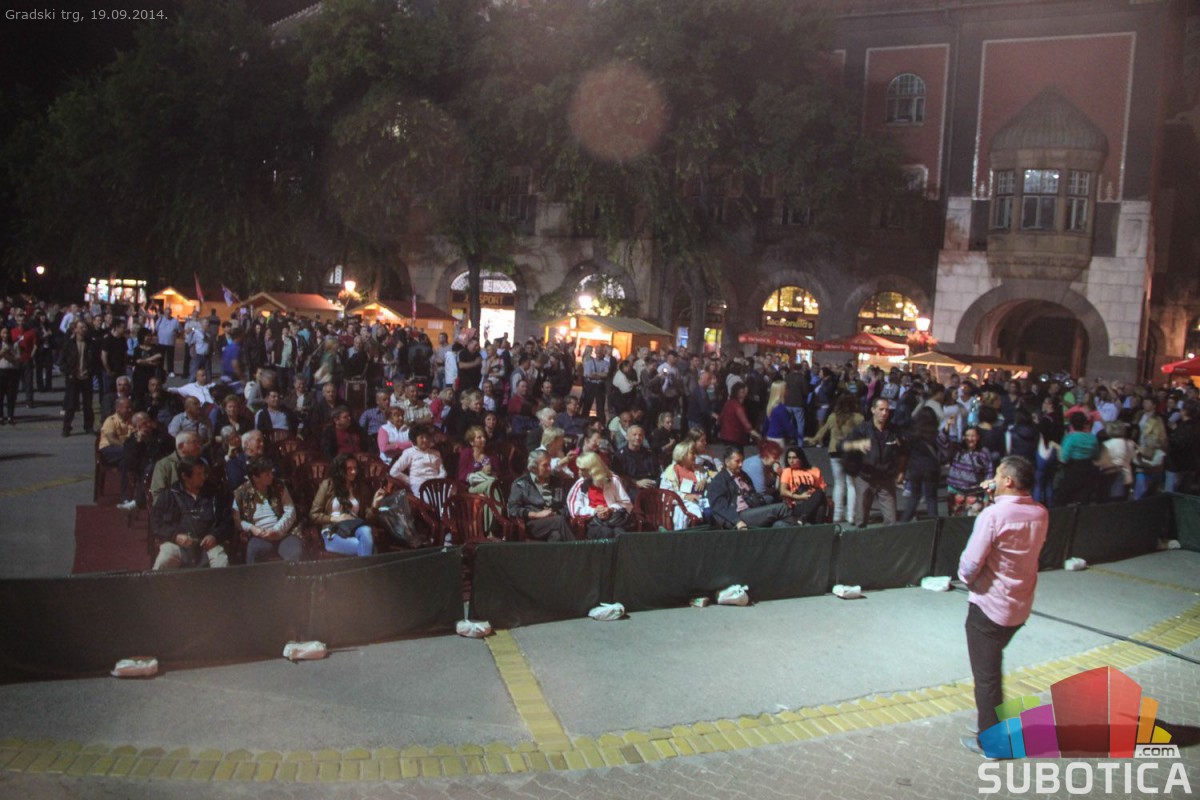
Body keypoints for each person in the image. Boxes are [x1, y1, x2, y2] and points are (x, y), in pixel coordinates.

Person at [959, 455, 1048, 757]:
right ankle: (989, 722)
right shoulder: (1040, 513)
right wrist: (995, 498)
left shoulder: (992, 516)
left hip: (988, 608)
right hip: (1019, 607)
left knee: (987, 678)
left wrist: (966, 579)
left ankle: (992, 742)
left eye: (998, 474)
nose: (993, 478)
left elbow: (971, 563)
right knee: (992, 666)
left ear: (1008, 480)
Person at [150, 457, 232, 570]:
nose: (203, 477)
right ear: (185, 476)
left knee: (221, 562)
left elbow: (226, 520)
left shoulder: (215, 494)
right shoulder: (169, 495)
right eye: (198, 474)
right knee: (164, 560)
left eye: (204, 473)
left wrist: (214, 535)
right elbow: (155, 523)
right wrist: (175, 536)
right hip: (176, 544)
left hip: (207, 545)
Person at [841, 397, 906, 527]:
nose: (884, 413)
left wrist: (900, 471)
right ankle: (860, 537)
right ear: (873, 410)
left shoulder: (894, 430)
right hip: (865, 478)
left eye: (887, 410)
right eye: (881, 409)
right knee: (861, 518)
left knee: (891, 520)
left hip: (886, 479)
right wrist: (857, 445)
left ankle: (889, 539)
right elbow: (842, 446)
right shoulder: (862, 429)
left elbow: (904, 452)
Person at [232, 456, 302, 564]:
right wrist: (253, 529)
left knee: (294, 552)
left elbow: (290, 512)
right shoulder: (241, 492)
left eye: (271, 472)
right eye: (267, 474)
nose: (272, 476)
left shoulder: (279, 486)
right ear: (256, 478)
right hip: (259, 536)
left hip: (283, 533)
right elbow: (237, 520)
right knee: (253, 551)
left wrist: (276, 530)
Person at [707, 446, 797, 529]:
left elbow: (754, 494)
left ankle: (780, 527)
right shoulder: (719, 481)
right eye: (737, 461)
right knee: (782, 508)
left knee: (779, 516)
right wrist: (737, 521)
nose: (741, 465)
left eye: (742, 461)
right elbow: (719, 506)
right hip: (739, 515)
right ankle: (798, 527)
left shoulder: (743, 475)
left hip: (752, 507)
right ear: (727, 462)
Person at [309, 453, 380, 557]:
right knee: (368, 547)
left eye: (355, 468)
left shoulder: (360, 488)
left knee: (366, 530)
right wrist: (335, 519)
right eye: (349, 469)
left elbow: (367, 518)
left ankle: (364, 566)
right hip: (333, 530)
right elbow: (313, 515)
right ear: (340, 470)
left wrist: (375, 505)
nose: (353, 472)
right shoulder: (328, 485)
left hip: (354, 527)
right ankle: (367, 567)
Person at [507, 450, 574, 542]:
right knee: (559, 521)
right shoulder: (521, 484)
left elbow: (565, 506)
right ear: (534, 467)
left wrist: (555, 513)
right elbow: (513, 509)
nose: (549, 468)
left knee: (556, 535)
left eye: (549, 464)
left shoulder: (556, 482)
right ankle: (578, 548)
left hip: (554, 521)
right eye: (545, 465)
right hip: (532, 524)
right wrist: (537, 514)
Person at [567, 451, 634, 539]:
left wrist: (610, 509)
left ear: (592, 470)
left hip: (613, 520)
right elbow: (574, 510)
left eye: (582, 469)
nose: (579, 472)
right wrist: (594, 511)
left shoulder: (613, 480)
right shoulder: (580, 484)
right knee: (606, 532)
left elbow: (626, 504)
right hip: (593, 522)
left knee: (620, 534)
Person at [943, 426, 994, 517]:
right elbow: (943, 442)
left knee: (974, 519)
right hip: (956, 490)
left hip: (975, 492)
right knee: (956, 520)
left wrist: (988, 495)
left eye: (973, 436)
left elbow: (989, 473)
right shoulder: (957, 449)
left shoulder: (983, 452)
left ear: (978, 437)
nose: (970, 439)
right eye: (967, 436)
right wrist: (947, 427)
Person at [900, 407, 941, 521]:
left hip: (915, 467)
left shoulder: (911, 433)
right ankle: (934, 522)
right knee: (931, 497)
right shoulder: (935, 433)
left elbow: (906, 451)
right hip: (931, 467)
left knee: (914, 496)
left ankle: (904, 521)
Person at [59, 319, 98, 437]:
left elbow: (95, 360)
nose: (83, 330)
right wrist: (69, 372)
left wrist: (90, 371)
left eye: (84, 327)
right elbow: (61, 361)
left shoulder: (91, 344)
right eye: (80, 327)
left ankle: (89, 426)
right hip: (73, 378)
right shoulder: (69, 344)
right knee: (70, 404)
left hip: (86, 377)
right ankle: (67, 427)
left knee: (88, 404)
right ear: (75, 329)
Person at [388, 423, 445, 498]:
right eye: (421, 437)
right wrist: (410, 481)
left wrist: (438, 481)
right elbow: (394, 471)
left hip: (437, 485)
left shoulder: (436, 453)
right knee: (434, 499)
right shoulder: (409, 453)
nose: (425, 440)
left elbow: (442, 471)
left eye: (427, 437)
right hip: (420, 487)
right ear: (415, 439)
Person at [659, 440, 709, 527]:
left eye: (695, 453)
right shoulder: (670, 472)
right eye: (692, 453)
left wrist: (705, 481)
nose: (695, 456)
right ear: (683, 454)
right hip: (680, 505)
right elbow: (665, 496)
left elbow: (712, 479)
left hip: (702, 502)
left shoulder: (699, 469)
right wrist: (685, 496)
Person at [778, 446, 828, 525]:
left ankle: (806, 519)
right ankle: (807, 519)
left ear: (801, 458)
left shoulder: (814, 470)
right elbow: (783, 491)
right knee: (820, 499)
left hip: (813, 501)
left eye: (794, 458)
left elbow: (822, 489)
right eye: (789, 458)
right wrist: (801, 496)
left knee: (820, 497)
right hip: (798, 504)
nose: (791, 461)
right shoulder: (787, 471)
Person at [613, 424, 660, 500]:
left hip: (650, 486)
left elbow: (657, 473)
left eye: (640, 435)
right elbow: (618, 476)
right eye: (634, 435)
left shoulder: (649, 454)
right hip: (631, 488)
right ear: (627, 437)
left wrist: (654, 483)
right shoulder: (620, 455)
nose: (638, 437)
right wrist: (636, 483)